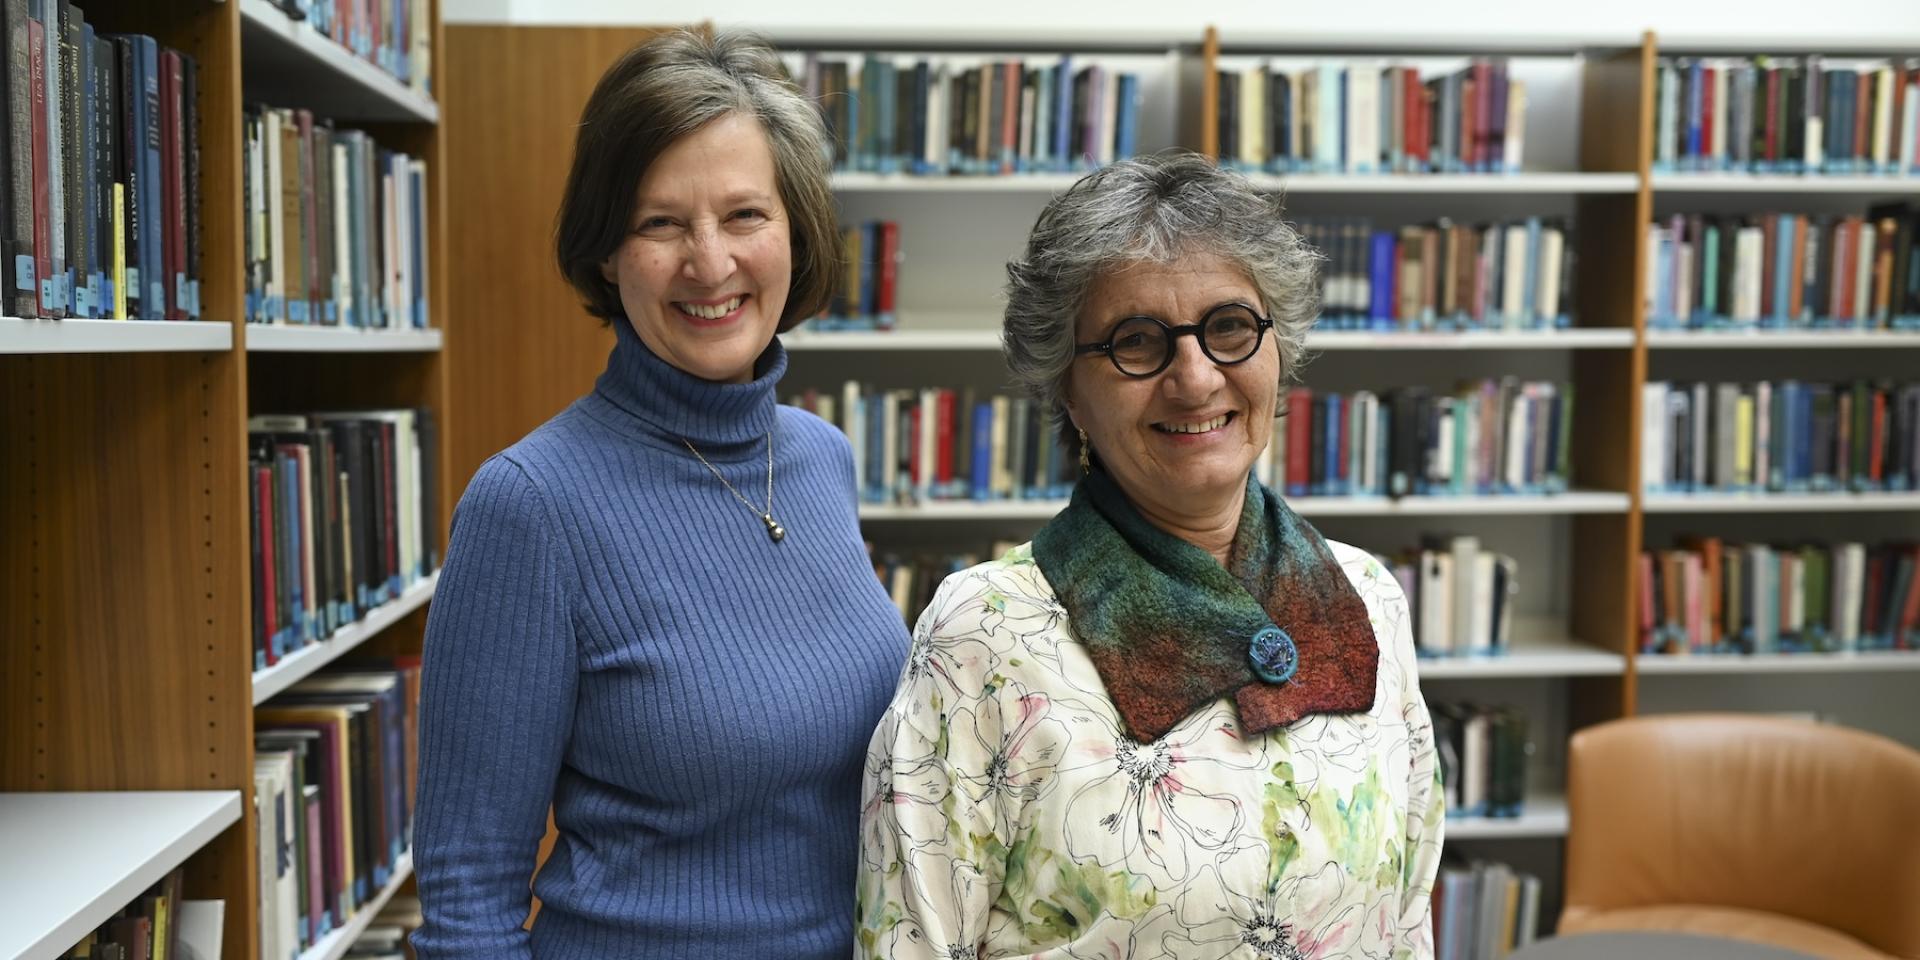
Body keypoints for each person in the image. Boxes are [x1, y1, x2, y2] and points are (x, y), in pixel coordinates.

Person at [855, 152, 1444, 959]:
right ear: (1069, 388)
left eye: (1230, 327)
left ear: (1279, 349)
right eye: (1138, 343)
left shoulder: (1369, 597)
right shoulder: (983, 636)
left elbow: (1406, 919)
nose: (1196, 379)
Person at [410, 30, 910, 959]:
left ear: (795, 234)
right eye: (661, 223)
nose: (710, 263)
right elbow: (467, 893)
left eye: (744, 215)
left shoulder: (823, 459)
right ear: (606, 254)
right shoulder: (529, 506)